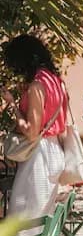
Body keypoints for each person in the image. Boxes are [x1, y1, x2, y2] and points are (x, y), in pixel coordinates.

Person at [0, 36, 66, 225]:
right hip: (53, 149)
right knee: (41, 215)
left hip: (39, 155)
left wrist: (12, 104)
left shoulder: (37, 85)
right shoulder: (55, 81)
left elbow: (31, 131)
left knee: (23, 217)